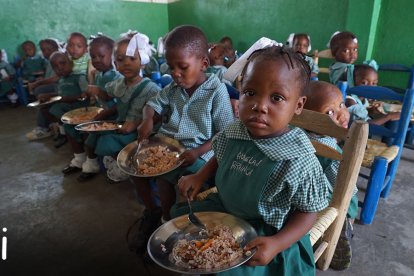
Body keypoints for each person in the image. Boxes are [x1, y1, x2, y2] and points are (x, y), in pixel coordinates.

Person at [175, 45, 330, 275]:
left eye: (276, 98)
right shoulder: (237, 130)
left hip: (267, 229)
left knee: (229, 269)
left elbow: (308, 212)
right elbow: (222, 154)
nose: (260, 106)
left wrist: (277, 243)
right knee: (179, 222)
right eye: (250, 93)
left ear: (298, 105)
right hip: (226, 209)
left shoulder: (298, 158)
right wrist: (200, 176)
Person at [129, 25, 234, 253]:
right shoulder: (173, 88)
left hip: (201, 154)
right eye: (171, 67)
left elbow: (224, 133)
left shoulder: (217, 91)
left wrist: (197, 152)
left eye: (182, 67)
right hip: (170, 150)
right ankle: (161, 217)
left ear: (204, 64)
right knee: (147, 172)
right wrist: (148, 119)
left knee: (182, 184)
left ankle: (180, 227)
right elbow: (153, 104)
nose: (175, 73)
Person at [79, 34, 161, 182]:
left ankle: (127, 165)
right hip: (121, 124)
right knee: (93, 135)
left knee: (107, 141)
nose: (126, 64)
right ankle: (120, 162)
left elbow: (159, 115)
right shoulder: (118, 84)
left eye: (132, 58)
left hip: (141, 132)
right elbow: (108, 96)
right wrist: (97, 90)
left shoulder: (151, 88)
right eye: (121, 60)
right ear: (115, 64)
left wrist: (136, 123)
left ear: (142, 62)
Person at [304, 80, 357, 270]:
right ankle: (344, 223)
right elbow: (342, 186)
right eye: (329, 112)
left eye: (341, 104)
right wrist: (349, 207)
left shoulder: (293, 133)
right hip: (326, 201)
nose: (342, 114)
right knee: (350, 196)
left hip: (298, 197)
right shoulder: (329, 147)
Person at [61, 35, 122, 182]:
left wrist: (96, 91)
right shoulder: (100, 74)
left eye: (101, 56)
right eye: (93, 57)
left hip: (117, 116)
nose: (97, 60)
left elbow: (112, 99)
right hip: (105, 114)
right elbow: (101, 100)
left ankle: (119, 167)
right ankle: (86, 162)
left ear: (113, 56)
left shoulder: (116, 76)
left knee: (93, 139)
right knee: (81, 134)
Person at [37, 52, 89, 148]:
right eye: (56, 67)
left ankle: (73, 133)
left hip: (79, 106)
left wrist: (66, 98)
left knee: (57, 108)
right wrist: (49, 95)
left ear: (71, 63)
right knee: (46, 109)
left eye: (63, 63)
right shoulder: (61, 80)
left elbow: (85, 95)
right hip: (66, 105)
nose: (60, 68)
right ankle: (64, 132)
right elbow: (61, 95)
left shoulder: (79, 77)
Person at [26, 39, 61, 141]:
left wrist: (39, 82)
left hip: (60, 85)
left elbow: (57, 77)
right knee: (41, 95)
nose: (45, 52)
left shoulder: (57, 58)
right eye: (43, 50)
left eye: (48, 49)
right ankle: (44, 126)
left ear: (56, 48)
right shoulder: (49, 61)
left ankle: (43, 127)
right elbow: (50, 76)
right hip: (55, 84)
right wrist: (42, 80)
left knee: (40, 91)